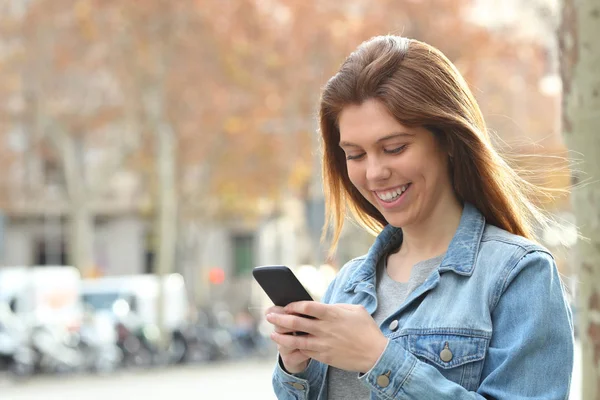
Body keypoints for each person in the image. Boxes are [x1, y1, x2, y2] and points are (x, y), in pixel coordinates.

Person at [264, 35, 574, 399]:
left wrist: (378, 358)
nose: (375, 173)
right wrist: (294, 367)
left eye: (394, 148)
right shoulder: (346, 284)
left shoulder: (519, 274)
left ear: (447, 142)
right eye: (355, 155)